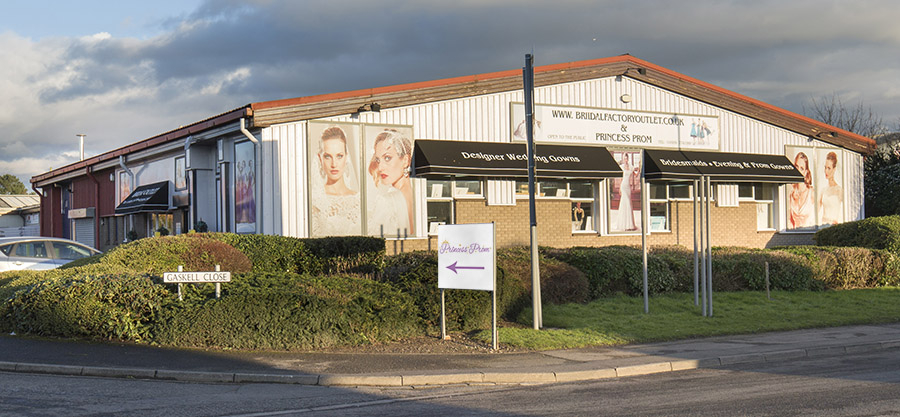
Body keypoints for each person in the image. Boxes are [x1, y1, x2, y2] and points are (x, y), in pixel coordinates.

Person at [310, 126, 361, 236]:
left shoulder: (359, 199)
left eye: (339, 156)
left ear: (346, 157)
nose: (334, 164)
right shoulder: (315, 200)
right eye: (328, 156)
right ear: (320, 159)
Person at [368, 128, 414, 235]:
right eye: (378, 160)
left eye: (387, 158)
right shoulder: (417, 196)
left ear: (406, 160)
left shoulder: (385, 201)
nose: (380, 167)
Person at [789, 151, 815, 228]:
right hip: (794, 234)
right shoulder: (791, 194)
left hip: (809, 233)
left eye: (802, 168)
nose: (798, 171)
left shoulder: (812, 193)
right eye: (796, 167)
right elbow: (790, 221)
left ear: (806, 172)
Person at [818, 151, 843, 225]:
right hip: (823, 225)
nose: (826, 171)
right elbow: (817, 210)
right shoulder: (823, 190)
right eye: (825, 168)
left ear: (834, 169)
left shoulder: (839, 190)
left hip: (834, 226)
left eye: (829, 168)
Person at [616, 155, 638, 231]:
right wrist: (619, 188)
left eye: (626, 158)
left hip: (628, 186)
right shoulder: (622, 167)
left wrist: (639, 168)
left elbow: (635, 175)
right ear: (623, 159)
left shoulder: (631, 167)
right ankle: (623, 224)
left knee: (629, 203)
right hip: (623, 185)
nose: (625, 159)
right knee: (624, 202)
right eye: (624, 158)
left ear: (628, 158)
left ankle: (630, 224)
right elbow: (621, 178)